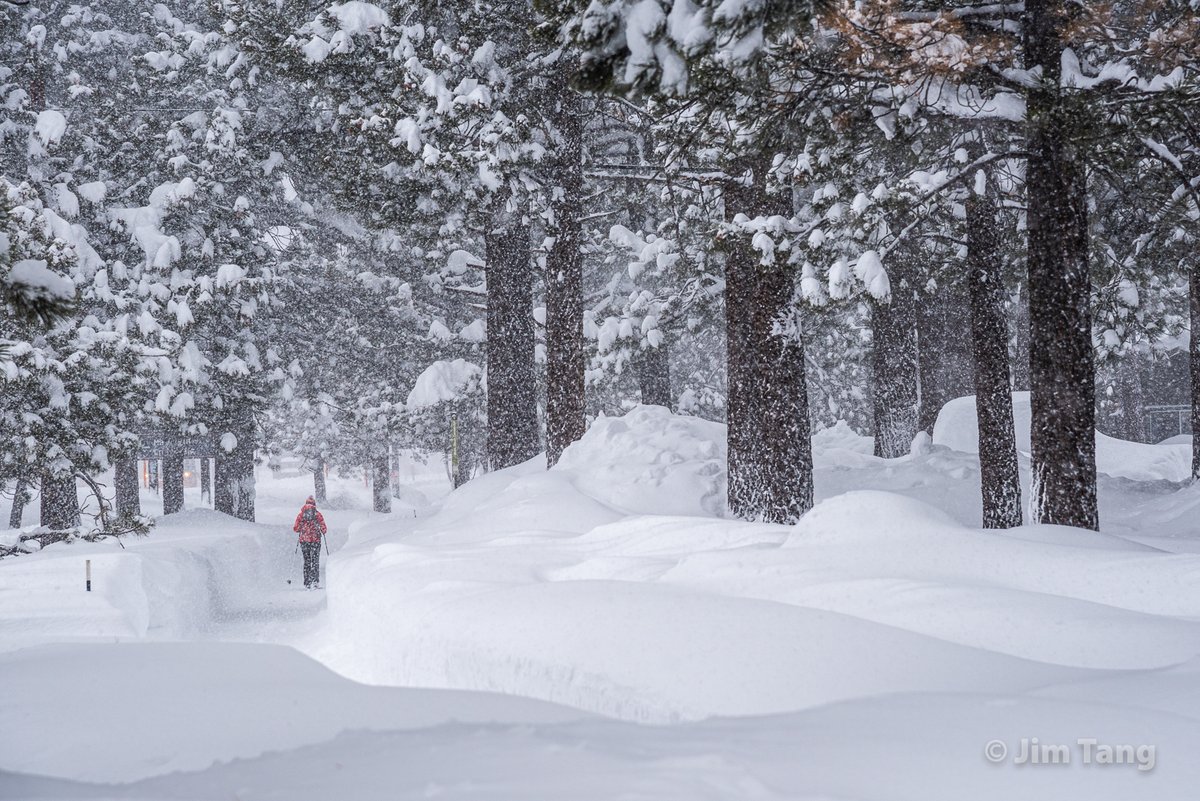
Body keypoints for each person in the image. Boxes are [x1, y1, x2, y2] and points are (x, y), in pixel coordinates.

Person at [293, 495, 327, 589]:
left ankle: (307, 582)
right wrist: (321, 530)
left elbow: (295, 528)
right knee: (315, 561)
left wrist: (302, 528)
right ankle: (315, 581)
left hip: (304, 541)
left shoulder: (301, 514)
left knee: (307, 561)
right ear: (314, 504)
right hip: (315, 541)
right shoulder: (317, 514)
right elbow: (324, 528)